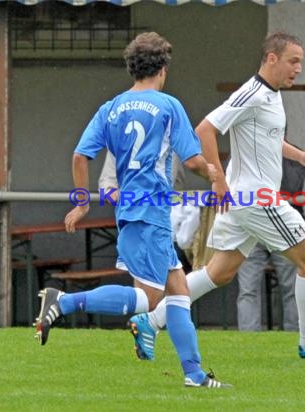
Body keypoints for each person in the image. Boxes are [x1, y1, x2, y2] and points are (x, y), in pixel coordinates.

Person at [129, 31, 305, 361]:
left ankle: (150, 321)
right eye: (294, 61)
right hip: (256, 199)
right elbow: (205, 129)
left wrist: (300, 155)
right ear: (272, 58)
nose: (299, 69)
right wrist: (216, 179)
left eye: (301, 63)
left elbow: (267, 138)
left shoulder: (271, 95)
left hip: (243, 203)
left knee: (217, 273)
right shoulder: (251, 93)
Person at [33, 32, 231, 389]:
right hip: (150, 212)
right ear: (163, 69)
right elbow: (192, 159)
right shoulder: (169, 106)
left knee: (179, 290)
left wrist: (81, 202)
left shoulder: (110, 108)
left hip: (132, 210)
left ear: (132, 69)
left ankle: (195, 375)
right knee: (148, 298)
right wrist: (211, 171)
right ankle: (63, 302)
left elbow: (80, 156)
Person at [237, 158, 305, 331]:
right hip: (279, 227)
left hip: (254, 224)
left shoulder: (241, 151)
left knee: (249, 290)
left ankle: (250, 339)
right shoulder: (294, 159)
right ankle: (294, 335)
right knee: (291, 288)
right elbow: (292, 190)